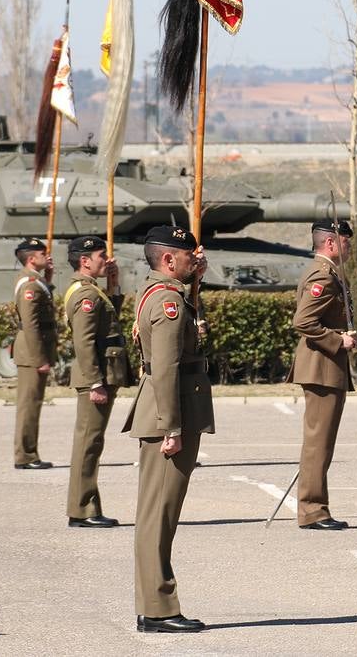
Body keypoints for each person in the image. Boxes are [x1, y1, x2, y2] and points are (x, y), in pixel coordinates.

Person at [121, 225, 214, 634]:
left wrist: (197, 282)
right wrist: (172, 426)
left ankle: (154, 605)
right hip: (169, 417)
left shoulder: (166, 294)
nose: (195, 260)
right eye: (189, 255)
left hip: (169, 414)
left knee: (159, 515)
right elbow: (166, 368)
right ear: (168, 260)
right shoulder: (167, 302)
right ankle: (158, 608)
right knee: (159, 516)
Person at [288, 218, 357, 530]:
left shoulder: (329, 273)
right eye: (345, 240)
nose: (349, 245)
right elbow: (303, 321)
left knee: (322, 442)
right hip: (321, 366)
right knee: (318, 443)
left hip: (326, 366)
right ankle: (313, 510)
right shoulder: (323, 274)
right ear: (330, 243)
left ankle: (315, 507)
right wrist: (337, 340)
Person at [63, 235, 132, 529]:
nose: (106, 260)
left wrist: (113, 283)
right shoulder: (85, 295)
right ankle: (82, 509)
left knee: (91, 442)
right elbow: (85, 341)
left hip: (101, 375)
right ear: (85, 261)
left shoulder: (92, 290)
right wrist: (94, 383)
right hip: (96, 377)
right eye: (102, 256)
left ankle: (85, 507)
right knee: (88, 444)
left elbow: (110, 317)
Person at [12, 237, 55, 470]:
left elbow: (44, 304)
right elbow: (31, 324)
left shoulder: (36, 281)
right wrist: (40, 358)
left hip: (34, 351)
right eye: (42, 254)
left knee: (33, 404)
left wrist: (48, 279)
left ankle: (30, 453)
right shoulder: (29, 284)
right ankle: (25, 456)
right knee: (29, 405)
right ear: (31, 259)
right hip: (31, 353)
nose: (47, 257)